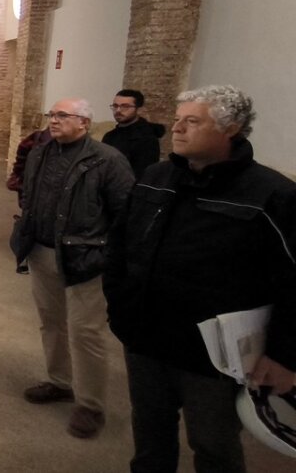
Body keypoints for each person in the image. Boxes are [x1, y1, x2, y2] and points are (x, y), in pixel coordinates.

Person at [104, 85, 296, 472]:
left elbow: (293, 283)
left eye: (192, 121)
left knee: (212, 444)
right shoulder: (156, 177)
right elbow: (120, 245)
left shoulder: (272, 194)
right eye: (178, 119)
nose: (177, 128)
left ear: (231, 128)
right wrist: (119, 305)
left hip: (212, 356)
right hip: (145, 334)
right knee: (150, 429)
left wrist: (283, 355)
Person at [12, 98, 134, 439]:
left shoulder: (108, 159)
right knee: (51, 322)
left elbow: (126, 213)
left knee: (85, 332)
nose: (53, 120)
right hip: (42, 250)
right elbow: (28, 194)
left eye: (62, 115)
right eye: (51, 114)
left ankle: (90, 404)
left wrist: (109, 254)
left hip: (85, 258)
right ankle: (59, 382)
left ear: (84, 122)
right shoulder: (40, 153)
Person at [102, 89, 165, 177]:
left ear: (138, 109)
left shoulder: (147, 138)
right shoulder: (109, 136)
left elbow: (144, 174)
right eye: (115, 106)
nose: (118, 110)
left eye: (125, 106)